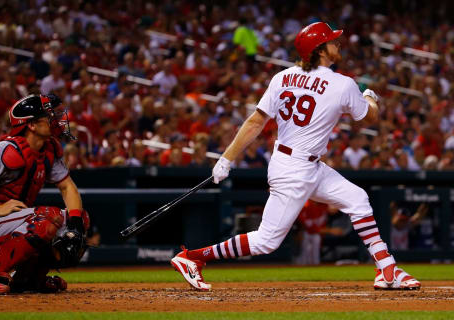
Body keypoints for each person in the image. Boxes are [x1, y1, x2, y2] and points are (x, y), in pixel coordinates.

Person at [170, 22, 420, 291]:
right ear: (320, 49)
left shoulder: (282, 77)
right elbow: (370, 116)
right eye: (332, 41)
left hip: (301, 163)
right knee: (265, 242)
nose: (338, 44)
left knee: (357, 199)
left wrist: (226, 158)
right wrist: (370, 96)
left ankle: (386, 268)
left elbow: (256, 122)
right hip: (295, 170)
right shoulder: (343, 84)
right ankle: (193, 257)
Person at [0, 94, 89, 294]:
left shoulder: (48, 150)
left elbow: (67, 187)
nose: (56, 119)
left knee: (78, 218)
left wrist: (76, 227)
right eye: (49, 116)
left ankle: (29, 279)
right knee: (45, 218)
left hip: (1, 223)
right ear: (32, 125)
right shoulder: (7, 150)